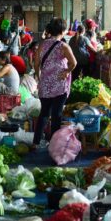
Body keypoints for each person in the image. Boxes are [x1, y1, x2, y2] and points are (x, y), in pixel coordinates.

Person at [33, 18, 77, 147]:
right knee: (56, 115)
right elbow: (74, 62)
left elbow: (36, 63)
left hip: (45, 85)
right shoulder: (63, 46)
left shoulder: (42, 44)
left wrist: (39, 75)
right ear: (62, 31)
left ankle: (35, 142)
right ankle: (54, 143)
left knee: (44, 113)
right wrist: (67, 71)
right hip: (59, 85)